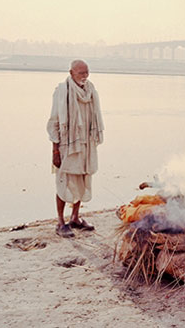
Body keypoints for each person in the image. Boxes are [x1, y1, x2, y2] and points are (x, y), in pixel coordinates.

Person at [46, 59, 104, 238]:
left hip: (86, 145)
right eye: (81, 73)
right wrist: (55, 150)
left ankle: (75, 218)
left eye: (87, 72)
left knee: (82, 179)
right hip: (67, 146)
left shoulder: (91, 90)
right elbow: (54, 122)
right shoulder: (62, 91)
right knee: (64, 182)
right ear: (71, 73)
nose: (85, 76)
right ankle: (61, 222)